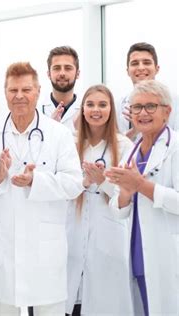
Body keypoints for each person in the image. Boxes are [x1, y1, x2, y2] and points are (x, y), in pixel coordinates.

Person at [0, 61, 84, 316]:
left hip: (45, 247)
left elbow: (75, 183)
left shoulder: (58, 134)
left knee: (48, 308)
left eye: (26, 90)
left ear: (38, 91)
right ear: (4, 92)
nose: (19, 96)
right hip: (4, 246)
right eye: (13, 90)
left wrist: (36, 181)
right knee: (4, 308)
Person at [106, 80, 178, 316]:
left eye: (150, 107)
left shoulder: (175, 147)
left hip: (167, 255)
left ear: (167, 111)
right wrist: (125, 194)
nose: (142, 113)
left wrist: (141, 185)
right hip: (138, 254)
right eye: (136, 107)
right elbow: (118, 209)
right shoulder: (131, 150)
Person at [65, 84, 134, 315]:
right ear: (82, 110)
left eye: (102, 105)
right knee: (72, 298)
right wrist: (84, 182)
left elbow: (127, 198)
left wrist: (101, 181)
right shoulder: (70, 144)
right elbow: (60, 188)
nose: (96, 110)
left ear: (111, 109)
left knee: (106, 301)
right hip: (72, 228)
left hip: (109, 233)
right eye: (90, 104)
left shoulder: (124, 146)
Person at [117, 42, 178, 140]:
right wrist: (134, 131)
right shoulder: (118, 105)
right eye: (135, 63)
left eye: (146, 62)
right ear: (128, 71)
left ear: (157, 69)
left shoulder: (174, 101)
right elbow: (115, 147)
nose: (141, 68)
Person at [38, 46, 81, 133]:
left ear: (77, 74)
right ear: (48, 74)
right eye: (57, 68)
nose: (62, 73)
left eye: (68, 68)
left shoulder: (86, 112)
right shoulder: (37, 112)